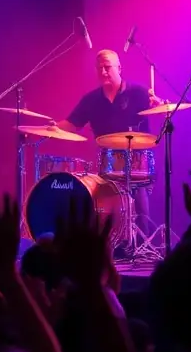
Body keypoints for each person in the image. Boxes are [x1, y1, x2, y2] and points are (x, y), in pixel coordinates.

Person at [54, 49, 164, 248]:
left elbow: (159, 108)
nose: (103, 72)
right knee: (102, 205)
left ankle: (142, 247)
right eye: (99, 69)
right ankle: (108, 247)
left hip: (137, 161)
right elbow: (72, 123)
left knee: (138, 195)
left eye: (107, 67)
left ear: (119, 68)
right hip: (108, 164)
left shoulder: (138, 92)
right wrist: (50, 127)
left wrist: (160, 106)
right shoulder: (91, 100)